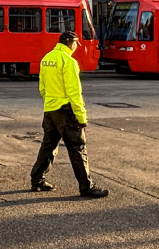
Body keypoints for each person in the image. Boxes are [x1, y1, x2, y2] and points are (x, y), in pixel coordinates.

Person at [30, 31, 108, 198]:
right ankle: (86, 187)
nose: (75, 48)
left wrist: (50, 102)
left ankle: (37, 180)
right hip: (65, 110)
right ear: (71, 44)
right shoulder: (69, 61)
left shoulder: (47, 58)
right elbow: (74, 92)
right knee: (78, 147)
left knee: (48, 145)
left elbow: (42, 87)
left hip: (50, 109)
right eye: (75, 44)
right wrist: (81, 117)